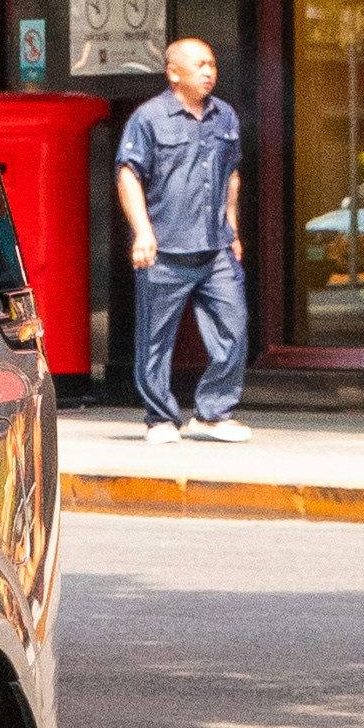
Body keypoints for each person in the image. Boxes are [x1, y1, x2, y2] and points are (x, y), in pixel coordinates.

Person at [115, 34, 248, 437]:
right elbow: (128, 174)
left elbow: (232, 177)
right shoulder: (149, 118)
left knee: (235, 325)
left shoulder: (225, 115)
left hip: (216, 246)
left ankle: (213, 412)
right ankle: (160, 417)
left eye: (212, 64)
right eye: (200, 65)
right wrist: (142, 232)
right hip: (165, 248)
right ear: (174, 73)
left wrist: (234, 230)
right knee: (155, 341)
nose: (209, 72)